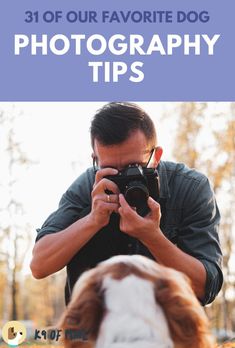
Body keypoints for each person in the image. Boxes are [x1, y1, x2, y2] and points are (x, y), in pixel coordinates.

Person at [30, 102, 223, 306]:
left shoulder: (189, 188)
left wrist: (153, 237)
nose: (124, 178)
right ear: (95, 159)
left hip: (167, 329)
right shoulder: (88, 185)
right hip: (95, 329)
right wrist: (92, 220)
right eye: (111, 169)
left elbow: (206, 288)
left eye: (134, 167)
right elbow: (39, 266)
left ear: (155, 156)